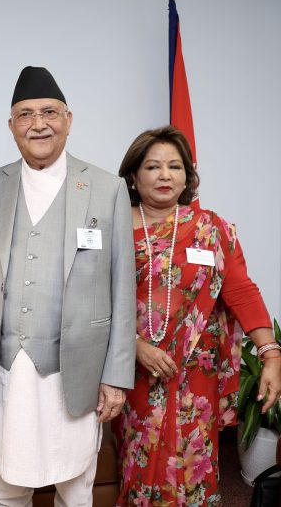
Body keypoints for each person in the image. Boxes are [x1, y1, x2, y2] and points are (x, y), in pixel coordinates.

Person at [0, 66, 136, 506]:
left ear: (68, 118)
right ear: (12, 126)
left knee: (76, 485)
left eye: (49, 112)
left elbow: (123, 286)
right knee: (7, 485)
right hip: (7, 365)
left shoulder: (106, 188)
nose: (38, 123)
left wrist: (116, 376)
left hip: (76, 365)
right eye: (26, 114)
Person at [112, 125, 281, 506]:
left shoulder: (211, 229)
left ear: (188, 176)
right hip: (135, 369)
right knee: (140, 466)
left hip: (195, 376)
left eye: (175, 166)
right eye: (153, 166)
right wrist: (134, 345)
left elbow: (240, 291)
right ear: (134, 177)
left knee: (192, 465)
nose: (165, 175)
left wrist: (271, 353)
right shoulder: (113, 228)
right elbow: (94, 302)